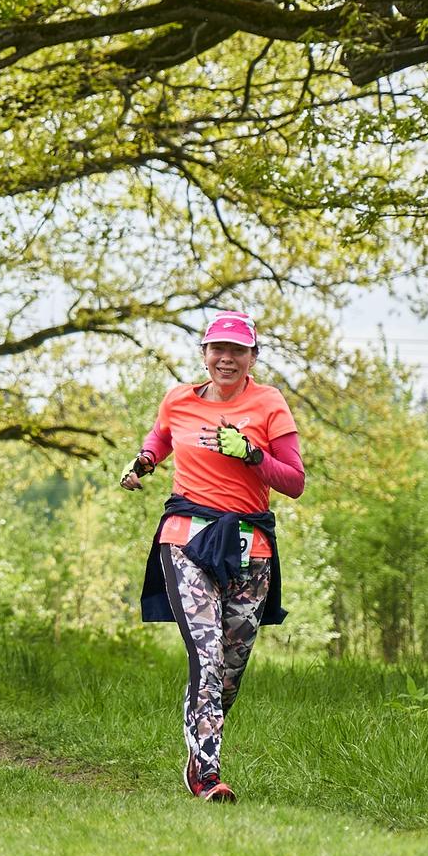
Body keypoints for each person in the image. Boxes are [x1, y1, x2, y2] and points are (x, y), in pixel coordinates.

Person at [121, 311, 306, 803]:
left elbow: (295, 482)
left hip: (250, 546)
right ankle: (207, 772)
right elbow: (162, 435)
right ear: (204, 354)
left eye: (237, 351)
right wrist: (143, 462)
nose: (226, 358)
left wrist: (252, 455)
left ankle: (199, 744)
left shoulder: (269, 404)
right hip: (186, 538)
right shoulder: (178, 398)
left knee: (228, 672)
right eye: (217, 349)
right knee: (206, 656)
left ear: (252, 357)